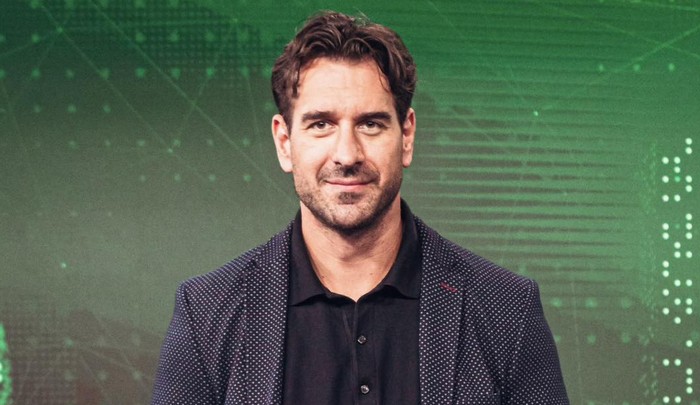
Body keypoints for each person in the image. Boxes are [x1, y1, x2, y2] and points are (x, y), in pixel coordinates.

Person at [152, 11, 568, 405]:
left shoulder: (506, 309)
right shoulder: (205, 313)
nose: (347, 154)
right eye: (321, 124)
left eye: (371, 124)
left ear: (406, 136)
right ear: (284, 142)